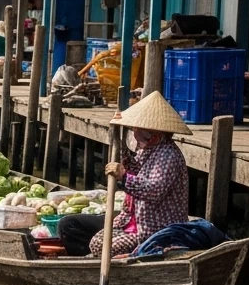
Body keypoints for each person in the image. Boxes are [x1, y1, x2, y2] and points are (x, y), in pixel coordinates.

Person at [58, 91, 191, 258]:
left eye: (138, 129)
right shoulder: (149, 149)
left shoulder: (167, 154)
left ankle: (130, 256)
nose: (135, 134)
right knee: (89, 237)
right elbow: (135, 169)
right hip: (130, 220)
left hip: (154, 229)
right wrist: (120, 147)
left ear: (153, 132)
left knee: (100, 246)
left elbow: (154, 190)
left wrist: (124, 176)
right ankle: (98, 259)